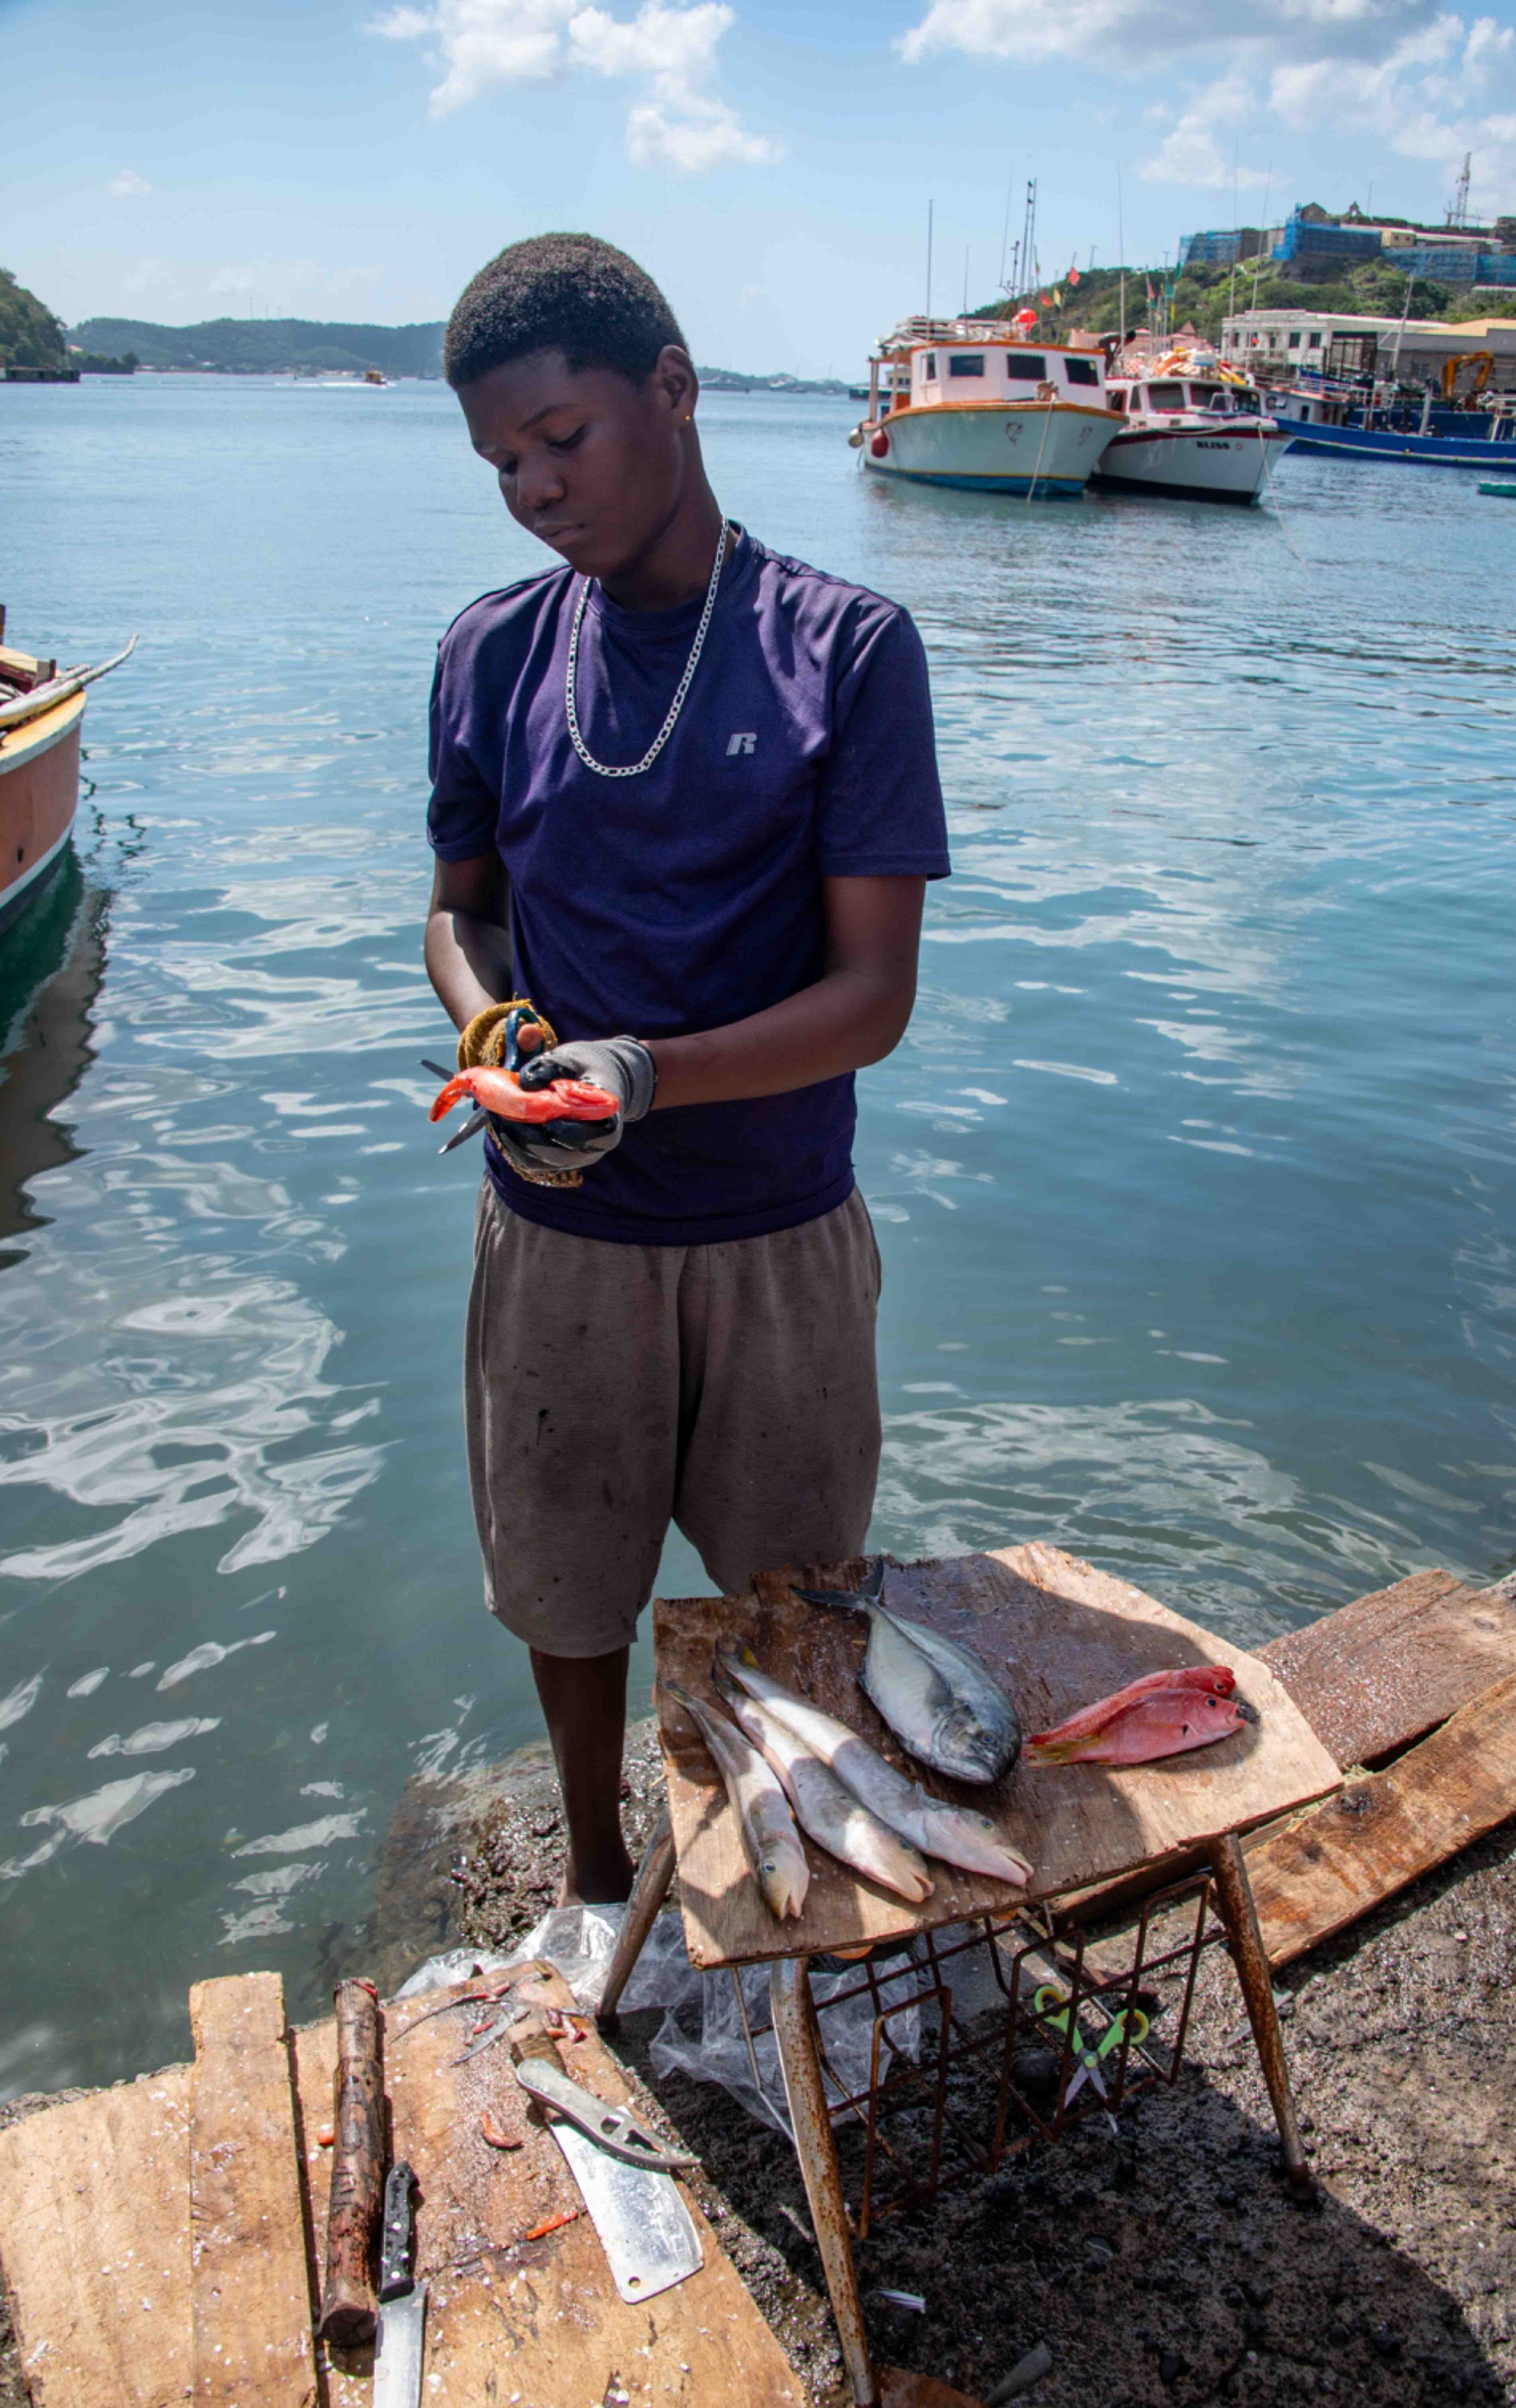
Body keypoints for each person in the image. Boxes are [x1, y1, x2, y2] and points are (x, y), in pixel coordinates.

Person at [424, 233, 949, 1903]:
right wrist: (491, 1028)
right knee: (564, 1599)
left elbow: (870, 998)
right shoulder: (491, 653)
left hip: (777, 1232)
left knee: (796, 1604)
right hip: (559, 1241)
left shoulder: (845, 649)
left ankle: (802, 1903)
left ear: (672, 389)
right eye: (503, 461)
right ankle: (592, 1887)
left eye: (562, 438)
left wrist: (642, 1079)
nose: (534, 489)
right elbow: (457, 918)